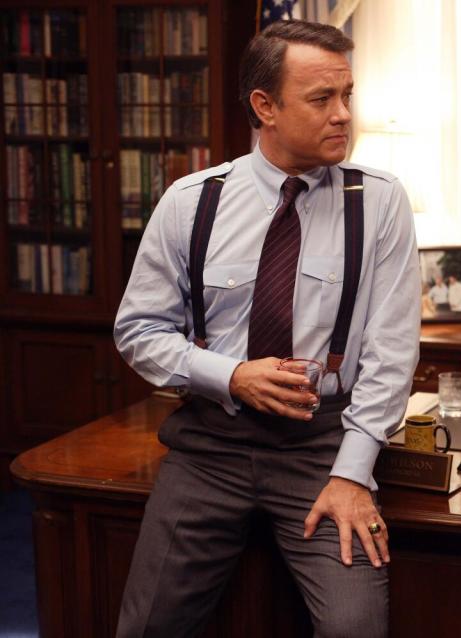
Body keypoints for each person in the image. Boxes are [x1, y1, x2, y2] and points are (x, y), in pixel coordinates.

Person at [113, 20, 420, 638]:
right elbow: (139, 329)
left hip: (324, 448)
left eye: (347, 97)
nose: (342, 115)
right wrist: (230, 376)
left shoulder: (380, 202)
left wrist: (352, 474)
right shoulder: (191, 202)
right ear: (265, 107)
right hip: (209, 448)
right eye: (320, 99)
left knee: (356, 627)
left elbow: (391, 356)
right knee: (147, 628)